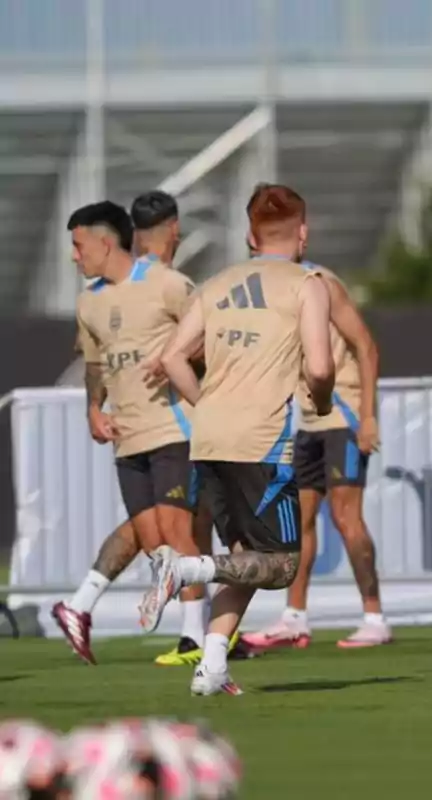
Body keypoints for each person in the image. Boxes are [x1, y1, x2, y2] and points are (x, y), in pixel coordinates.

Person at [139, 183, 335, 696]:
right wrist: (325, 400)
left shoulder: (217, 282)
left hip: (209, 439)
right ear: (304, 231)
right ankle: (185, 569)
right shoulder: (307, 282)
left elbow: (174, 357)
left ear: (250, 235)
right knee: (282, 564)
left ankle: (213, 665)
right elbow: (319, 365)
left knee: (245, 554)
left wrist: (206, 405)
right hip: (262, 441)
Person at [51, 191, 250, 668]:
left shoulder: (168, 284)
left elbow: (214, 336)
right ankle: (178, 628)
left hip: (175, 428)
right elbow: (96, 364)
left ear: (104, 243)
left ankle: (194, 637)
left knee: (179, 529)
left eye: (78, 246)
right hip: (129, 435)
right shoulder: (89, 303)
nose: (74, 256)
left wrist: (179, 357)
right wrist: (93, 410)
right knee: (154, 537)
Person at [242, 257, 388, 650]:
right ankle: (295, 618)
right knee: (298, 521)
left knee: (345, 516)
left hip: (343, 416)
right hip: (306, 421)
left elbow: (366, 346)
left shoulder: (321, 282)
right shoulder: (268, 291)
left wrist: (368, 416)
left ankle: (374, 618)